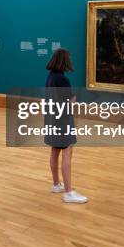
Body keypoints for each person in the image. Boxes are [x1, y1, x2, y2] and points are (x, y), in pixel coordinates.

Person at [45, 48, 88, 204]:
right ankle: (69, 193)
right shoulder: (62, 79)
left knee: (55, 150)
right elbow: (69, 103)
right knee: (67, 152)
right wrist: (74, 98)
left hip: (52, 119)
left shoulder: (50, 77)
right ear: (64, 60)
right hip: (62, 121)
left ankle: (57, 185)